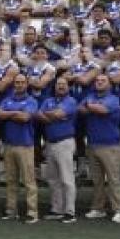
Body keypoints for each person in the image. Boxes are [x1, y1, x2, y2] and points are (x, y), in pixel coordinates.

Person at [80, 75, 120, 223]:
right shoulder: (90, 96)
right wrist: (91, 106)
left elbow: (103, 110)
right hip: (93, 143)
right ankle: (98, 208)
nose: (99, 82)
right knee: (97, 180)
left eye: (103, 81)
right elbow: (80, 109)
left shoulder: (113, 98)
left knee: (113, 179)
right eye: (97, 81)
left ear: (109, 84)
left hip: (110, 144)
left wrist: (90, 106)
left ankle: (119, 209)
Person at [0, 74, 39, 223]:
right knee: (11, 180)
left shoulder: (31, 100)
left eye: (22, 82)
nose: (19, 85)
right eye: (17, 82)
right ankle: (11, 210)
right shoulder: (7, 99)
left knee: (28, 181)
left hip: (25, 145)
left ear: (27, 84)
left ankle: (32, 212)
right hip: (9, 144)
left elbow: (25, 117)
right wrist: (17, 112)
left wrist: (9, 113)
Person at [37, 77, 78, 223]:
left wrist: (52, 114)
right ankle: (57, 209)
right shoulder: (48, 100)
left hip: (65, 142)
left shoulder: (71, 101)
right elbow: (39, 115)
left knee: (67, 178)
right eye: (58, 84)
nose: (60, 86)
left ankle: (70, 211)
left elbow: (57, 114)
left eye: (63, 84)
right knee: (53, 179)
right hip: (50, 143)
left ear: (68, 87)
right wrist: (54, 114)